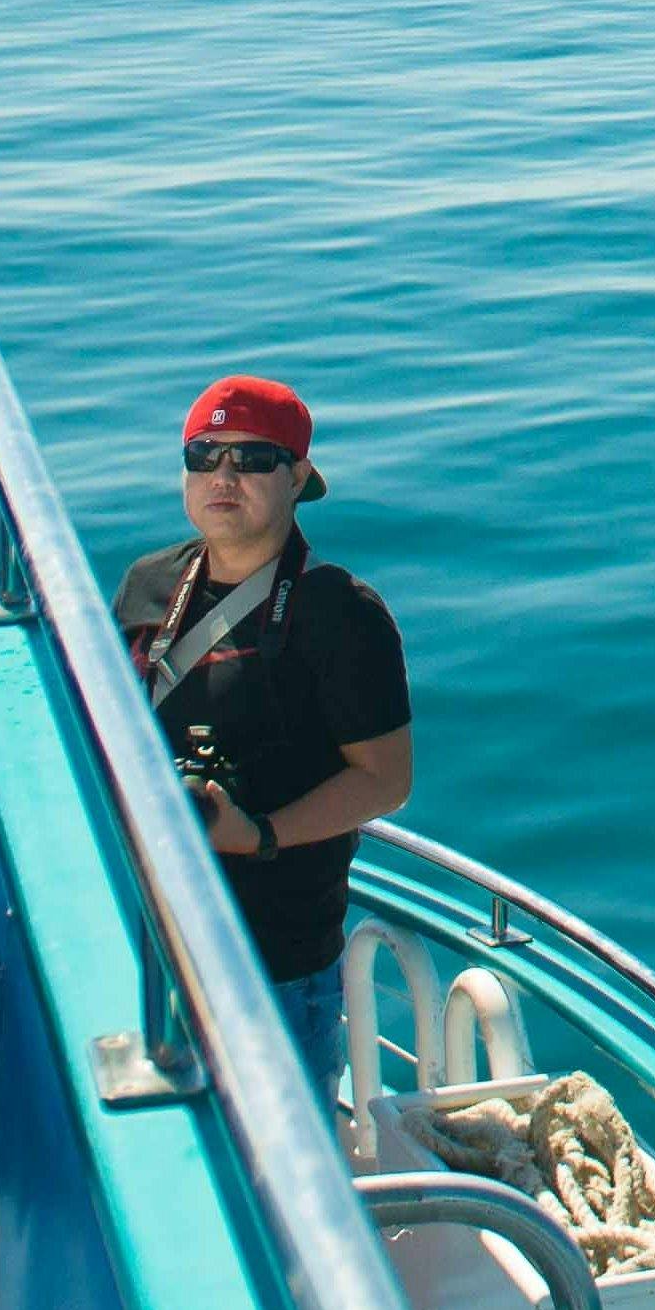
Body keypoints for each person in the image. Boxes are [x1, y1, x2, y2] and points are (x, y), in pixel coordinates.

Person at [106, 373, 415, 1083]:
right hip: (148, 935)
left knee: (271, 1188)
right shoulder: (145, 584)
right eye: (204, 455)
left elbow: (388, 779)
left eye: (252, 459)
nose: (223, 474)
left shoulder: (341, 612)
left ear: (298, 476)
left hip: (272, 966)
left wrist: (262, 832)